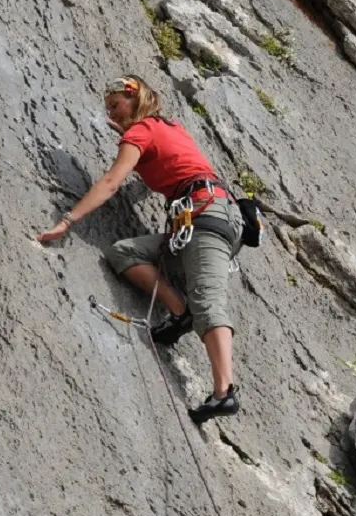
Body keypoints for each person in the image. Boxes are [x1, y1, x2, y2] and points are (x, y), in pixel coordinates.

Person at [37, 75, 244, 423]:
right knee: (124, 253)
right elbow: (177, 165)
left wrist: (68, 220)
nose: (113, 114)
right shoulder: (168, 126)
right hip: (201, 218)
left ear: (136, 100)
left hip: (206, 216)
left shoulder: (141, 132)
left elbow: (111, 181)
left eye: (117, 106)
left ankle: (224, 392)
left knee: (208, 300)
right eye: (109, 110)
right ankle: (180, 313)